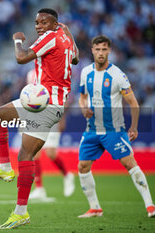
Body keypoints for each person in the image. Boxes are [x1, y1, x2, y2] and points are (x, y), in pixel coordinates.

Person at [0, 8, 79, 229]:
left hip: (47, 104)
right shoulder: (64, 37)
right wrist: (69, 33)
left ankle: (20, 213)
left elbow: (21, 58)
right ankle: (5, 168)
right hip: (41, 100)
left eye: (44, 22)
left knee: (26, 155)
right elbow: (76, 58)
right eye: (37, 22)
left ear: (54, 24)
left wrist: (17, 40)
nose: (38, 26)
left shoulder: (50, 37)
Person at [78, 35, 155, 218]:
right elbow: (82, 96)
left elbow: (133, 103)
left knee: (129, 163)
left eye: (104, 49)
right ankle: (95, 207)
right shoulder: (85, 72)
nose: (101, 53)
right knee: (82, 166)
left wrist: (134, 127)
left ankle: (150, 205)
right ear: (92, 50)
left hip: (113, 130)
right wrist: (83, 108)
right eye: (97, 49)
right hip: (91, 130)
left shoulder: (117, 75)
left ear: (109, 51)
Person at [26, 69, 75, 200]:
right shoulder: (31, 74)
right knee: (34, 152)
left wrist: (62, 118)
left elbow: (63, 96)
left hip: (52, 115)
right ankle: (39, 188)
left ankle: (67, 175)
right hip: (36, 117)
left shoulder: (54, 72)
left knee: (50, 153)